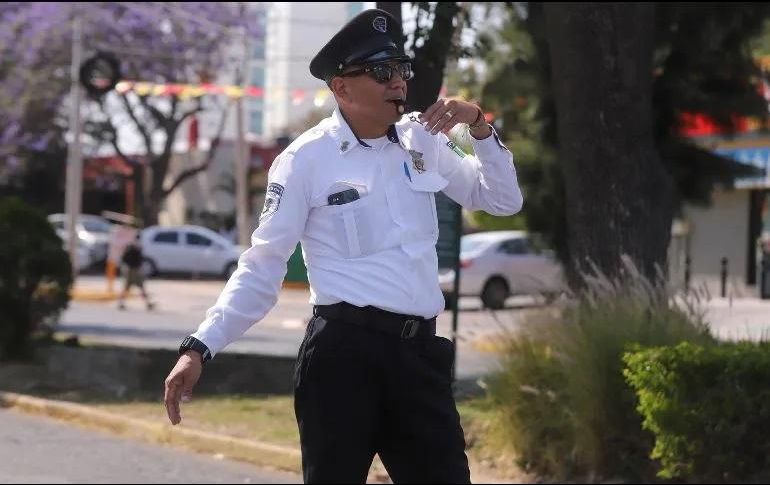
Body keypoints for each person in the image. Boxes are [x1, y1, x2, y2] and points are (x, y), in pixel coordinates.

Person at [164, 8, 523, 484]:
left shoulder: (424, 139)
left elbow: (502, 200)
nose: (398, 82)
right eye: (381, 72)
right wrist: (199, 346)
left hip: (418, 358)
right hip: (343, 358)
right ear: (341, 87)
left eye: (402, 70)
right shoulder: (304, 161)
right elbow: (262, 266)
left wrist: (478, 126)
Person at [117, 237, 154, 311]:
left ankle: (148, 304)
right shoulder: (131, 249)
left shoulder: (137, 249)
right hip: (132, 270)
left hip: (135, 270)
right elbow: (125, 259)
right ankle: (147, 304)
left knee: (138, 287)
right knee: (131, 287)